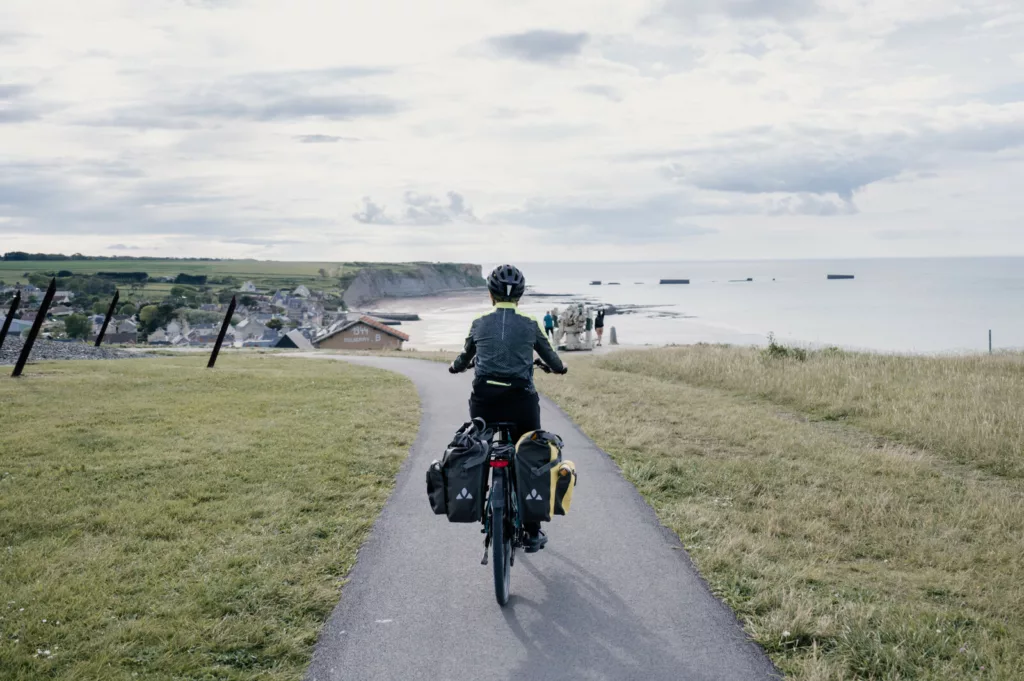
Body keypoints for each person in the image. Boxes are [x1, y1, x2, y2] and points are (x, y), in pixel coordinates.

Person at [449, 264, 567, 553]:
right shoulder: (529, 323)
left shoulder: (479, 322)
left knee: (480, 447)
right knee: (527, 451)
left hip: (485, 400)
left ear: (491, 294)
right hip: (521, 400)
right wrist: (559, 368)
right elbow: (551, 358)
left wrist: (456, 367)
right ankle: (533, 530)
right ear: (520, 296)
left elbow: (465, 356)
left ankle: (481, 499)